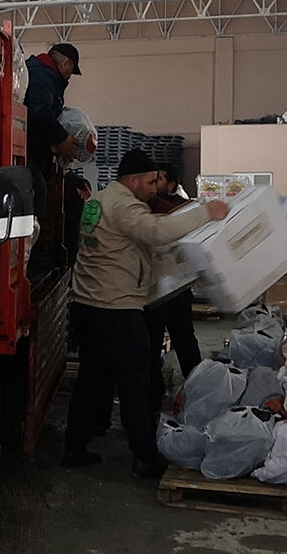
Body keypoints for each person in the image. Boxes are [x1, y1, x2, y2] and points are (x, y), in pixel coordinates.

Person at [62, 149, 229, 478]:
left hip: (88, 303)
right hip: (116, 308)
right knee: (135, 381)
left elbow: (131, 242)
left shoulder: (99, 200)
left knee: (92, 379)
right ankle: (144, 456)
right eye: (151, 182)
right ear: (133, 180)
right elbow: (155, 231)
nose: (155, 188)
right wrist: (205, 213)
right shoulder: (124, 205)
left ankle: (74, 446)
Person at [145, 163, 202, 379]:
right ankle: (153, 387)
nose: (153, 185)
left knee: (184, 337)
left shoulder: (181, 209)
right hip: (154, 287)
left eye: (158, 180)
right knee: (152, 340)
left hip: (177, 287)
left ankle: (197, 381)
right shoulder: (145, 207)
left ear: (170, 185)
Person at [23, 42, 81, 205]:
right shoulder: (42, 75)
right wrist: (62, 138)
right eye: (71, 72)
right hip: (30, 153)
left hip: (35, 153)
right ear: (66, 64)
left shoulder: (41, 73)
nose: (69, 77)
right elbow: (40, 111)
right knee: (36, 193)